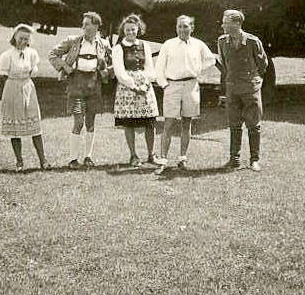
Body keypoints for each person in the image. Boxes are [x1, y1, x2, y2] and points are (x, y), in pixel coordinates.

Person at [48, 12, 111, 169]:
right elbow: (52, 54)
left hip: (94, 85)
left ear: (96, 26)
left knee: (90, 122)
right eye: (83, 24)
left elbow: (115, 61)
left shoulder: (103, 44)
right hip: (76, 85)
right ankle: (72, 159)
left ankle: (88, 157)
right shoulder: (73, 41)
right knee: (78, 121)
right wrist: (65, 67)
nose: (83, 26)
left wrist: (106, 71)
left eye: (87, 24)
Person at [154, 15, 215, 174]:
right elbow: (159, 68)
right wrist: (165, 85)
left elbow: (211, 60)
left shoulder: (198, 44)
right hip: (172, 85)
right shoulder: (169, 44)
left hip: (191, 85)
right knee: (168, 123)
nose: (182, 29)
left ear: (192, 28)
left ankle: (182, 158)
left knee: (187, 123)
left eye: (186, 26)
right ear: (176, 27)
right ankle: (163, 160)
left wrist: (198, 69)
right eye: (180, 26)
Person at [217, 9, 269, 172]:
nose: (223, 25)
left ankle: (254, 159)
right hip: (232, 88)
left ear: (237, 23)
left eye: (226, 22)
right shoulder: (222, 41)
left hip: (250, 88)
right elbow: (224, 64)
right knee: (234, 125)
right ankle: (235, 159)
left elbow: (263, 64)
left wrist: (254, 80)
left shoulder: (253, 41)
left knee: (254, 125)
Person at [0, 24, 50, 171]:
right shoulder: (7, 55)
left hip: (28, 89)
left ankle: (43, 160)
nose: (23, 42)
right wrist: (13, 88)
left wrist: (31, 73)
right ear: (14, 37)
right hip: (12, 88)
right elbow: (3, 75)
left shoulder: (32, 53)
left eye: (26, 39)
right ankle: (19, 162)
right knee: (15, 126)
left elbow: (34, 70)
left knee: (35, 126)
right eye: (20, 38)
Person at [112, 14, 159, 167]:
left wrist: (146, 83)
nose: (130, 33)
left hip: (145, 86)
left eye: (133, 30)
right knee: (129, 123)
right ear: (123, 31)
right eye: (127, 30)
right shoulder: (118, 48)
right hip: (128, 89)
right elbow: (119, 72)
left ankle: (151, 154)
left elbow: (150, 68)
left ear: (138, 30)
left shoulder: (144, 45)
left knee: (150, 122)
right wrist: (133, 86)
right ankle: (133, 156)